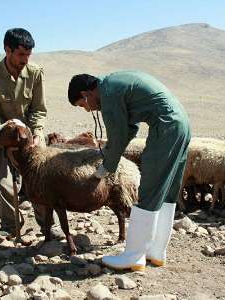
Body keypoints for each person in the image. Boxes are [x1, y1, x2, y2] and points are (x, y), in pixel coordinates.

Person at [67, 71, 191, 271]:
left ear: (86, 94)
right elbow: (129, 129)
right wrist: (111, 152)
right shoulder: (115, 84)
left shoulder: (108, 94)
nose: (87, 110)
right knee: (167, 191)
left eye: (82, 105)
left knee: (149, 189)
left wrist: (105, 167)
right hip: (181, 124)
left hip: (166, 127)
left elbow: (117, 134)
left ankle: (133, 256)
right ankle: (156, 252)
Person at [0, 28, 58, 238]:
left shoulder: (35, 73)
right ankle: (10, 224)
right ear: (8, 50)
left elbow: (39, 109)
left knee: (41, 179)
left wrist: (33, 134)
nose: (25, 59)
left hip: (31, 135)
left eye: (28, 55)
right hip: (3, 135)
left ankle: (49, 225)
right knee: (3, 180)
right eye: (21, 54)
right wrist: (7, 137)